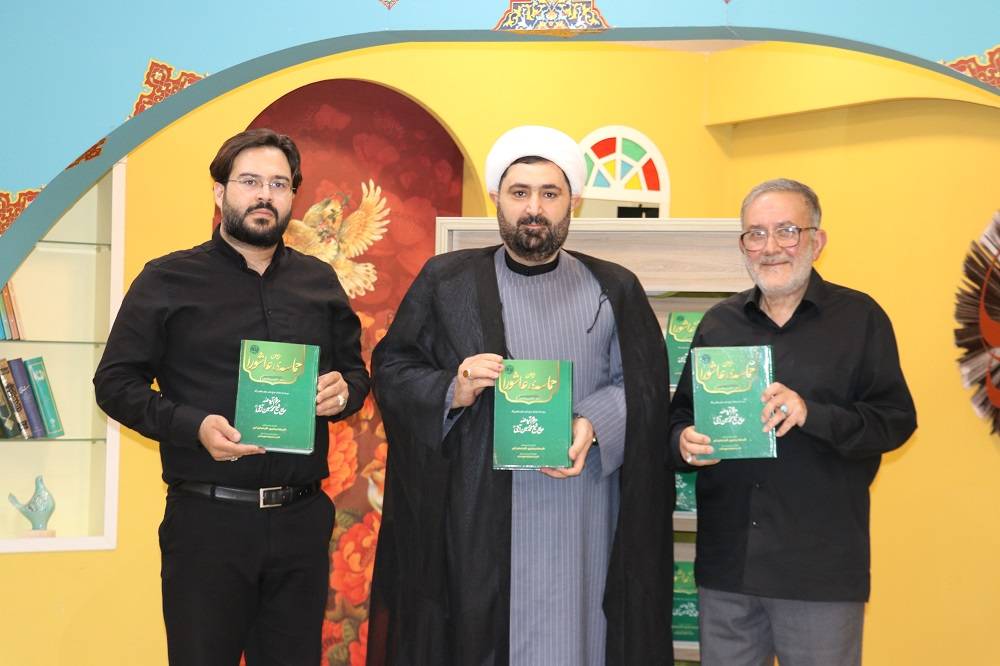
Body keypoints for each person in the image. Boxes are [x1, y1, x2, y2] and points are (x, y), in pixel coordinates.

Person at [366, 125, 674, 665]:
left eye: (550, 193)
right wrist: (454, 388)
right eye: (520, 192)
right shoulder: (447, 281)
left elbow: (644, 386)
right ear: (497, 199)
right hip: (476, 514)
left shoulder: (614, 288)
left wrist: (593, 424)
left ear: (573, 201)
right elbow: (393, 369)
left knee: (578, 638)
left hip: (582, 508)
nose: (534, 208)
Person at [93, 128, 370, 666]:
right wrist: (192, 426)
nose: (264, 194)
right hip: (207, 523)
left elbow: (355, 375)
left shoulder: (319, 282)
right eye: (249, 181)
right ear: (220, 193)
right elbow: (115, 383)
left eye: (279, 184)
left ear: (293, 196)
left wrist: (344, 392)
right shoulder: (167, 278)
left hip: (300, 521)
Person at [669, 178, 917, 666]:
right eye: (756, 234)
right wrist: (684, 441)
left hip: (818, 571)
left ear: (816, 241)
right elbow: (679, 415)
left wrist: (812, 414)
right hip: (728, 568)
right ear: (743, 245)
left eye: (786, 230)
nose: (770, 247)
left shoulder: (860, 318)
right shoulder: (718, 323)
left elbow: (895, 421)